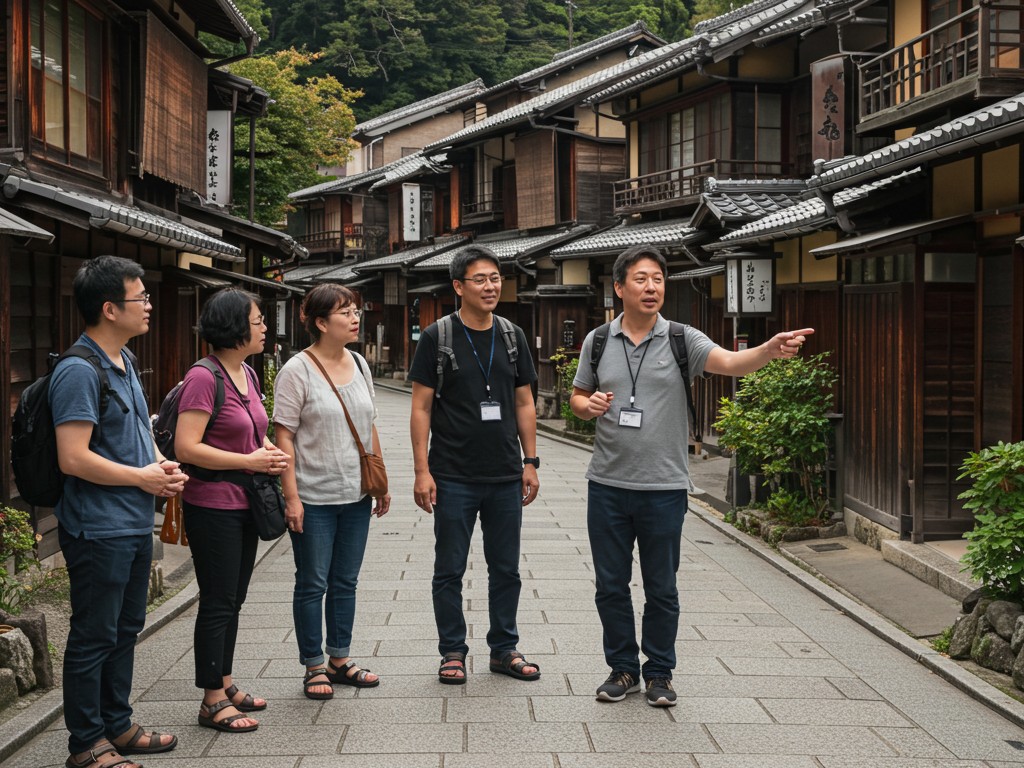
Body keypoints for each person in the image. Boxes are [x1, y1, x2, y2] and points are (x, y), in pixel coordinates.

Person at [570, 244, 813, 707]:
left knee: (662, 586)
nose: (651, 287)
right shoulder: (598, 340)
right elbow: (578, 399)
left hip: (663, 487)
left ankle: (659, 673)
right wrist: (590, 406)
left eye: (658, 279)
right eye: (640, 279)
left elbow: (730, 362)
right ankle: (622, 670)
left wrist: (766, 349)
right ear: (619, 287)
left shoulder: (682, 338)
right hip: (607, 484)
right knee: (610, 585)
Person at [51, 255, 187, 768]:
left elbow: (137, 435)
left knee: (126, 628)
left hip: (130, 522)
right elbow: (73, 456)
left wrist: (160, 464)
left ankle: (118, 724)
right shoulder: (78, 371)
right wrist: (141, 477)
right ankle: (86, 743)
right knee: (93, 635)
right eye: (141, 298)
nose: (149, 305)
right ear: (110, 308)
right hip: (97, 527)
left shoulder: (124, 361)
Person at [409, 245, 541, 685]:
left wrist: (531, 460)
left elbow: (524, 401)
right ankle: (452, 650)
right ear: (458, 287)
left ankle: (504, 648)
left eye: (495, 278)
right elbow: (421, 408)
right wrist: (421, 470)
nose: (491, 286)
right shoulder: (437, 337)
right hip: (452, 473)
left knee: (506, 567)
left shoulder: (511, 335)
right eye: (480, 279)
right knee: (449, 567)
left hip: (505, 473)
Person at [174, 288, 290, 733]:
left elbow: (250, 431)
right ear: (235, 326)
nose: (264, 328)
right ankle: (211, 701)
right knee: (218, 601)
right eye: (258, 321)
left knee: (234, 598)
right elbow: (188, 446)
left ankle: (224, 682)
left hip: (245, 503)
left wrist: (267, 450)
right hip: (213, 505)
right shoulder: (204, 377)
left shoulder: (246, 373)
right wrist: (250, 461)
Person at [273, 283, 391, 700]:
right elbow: (282, 435)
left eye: (355, 310)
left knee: (346, 580)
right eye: (345, 312)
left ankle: (339, 658)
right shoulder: (296, 370)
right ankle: (313, 666)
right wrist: (291, 497)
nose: (355, 317)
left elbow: (369, 422)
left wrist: (380, 481)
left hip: (355, 494)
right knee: (312, 582)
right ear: (320, 323)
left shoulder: (359, 362)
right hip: (313, 495)